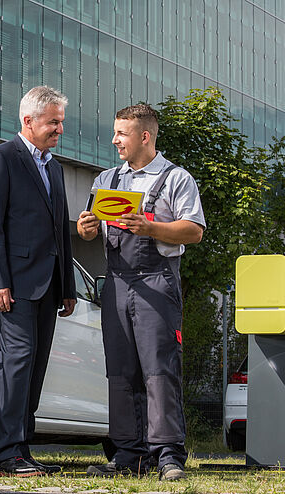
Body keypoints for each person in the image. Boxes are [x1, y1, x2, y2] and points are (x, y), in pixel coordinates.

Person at [77, 104, 205, 481]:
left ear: (144, 137)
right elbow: (91, 231)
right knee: (120, 372)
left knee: (159, 369)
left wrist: (150, 228)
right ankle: (127, 455)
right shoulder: (105, 179)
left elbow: (194, 230)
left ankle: (168, 456)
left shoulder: (176, 179)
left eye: (121, 133)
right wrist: (86, 228)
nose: (115, 140)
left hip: (157, 280)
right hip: (116, 282)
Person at [0, 86, 77, 477]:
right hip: (14, 286)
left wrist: (67, 286)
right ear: (28, 121)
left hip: (49, 286)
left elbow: (59, 231)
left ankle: (22, 449)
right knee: (16, 363)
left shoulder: (54, 167)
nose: (59, 129)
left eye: (61, 122)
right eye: (53, 122)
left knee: (34, 368)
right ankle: (6, 453)